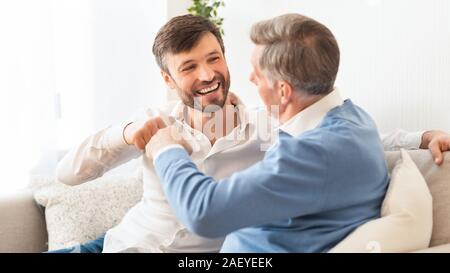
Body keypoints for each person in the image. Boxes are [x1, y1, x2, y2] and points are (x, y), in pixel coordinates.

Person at [50, 14, 450, 253]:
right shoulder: (153, 122)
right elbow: (67, 174)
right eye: (189, 68)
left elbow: (333, 141)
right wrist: (125, 133)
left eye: (214, 59)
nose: (207, 76)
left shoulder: (269, 125)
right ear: (168, 79)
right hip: (115, 244)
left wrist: (420, 137)